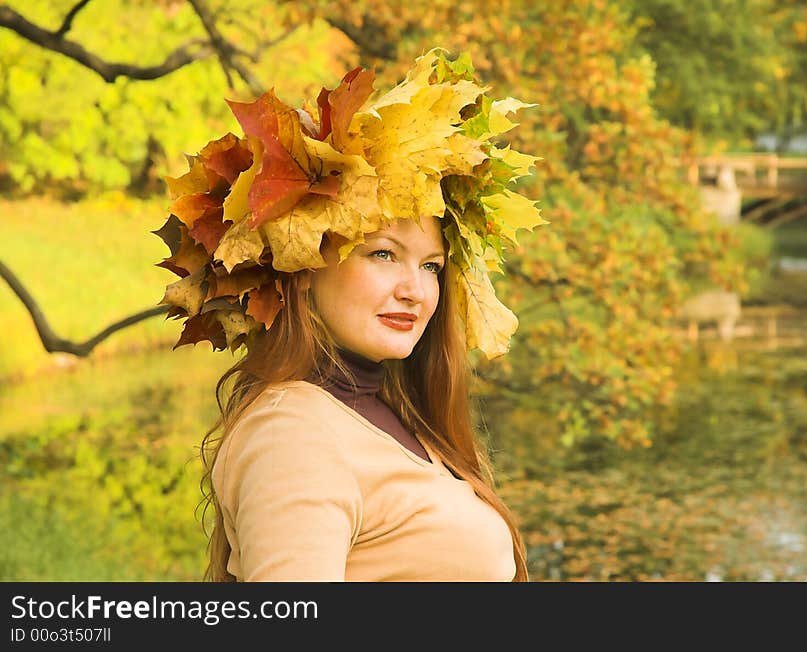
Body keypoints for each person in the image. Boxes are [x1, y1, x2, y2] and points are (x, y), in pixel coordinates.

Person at [153, 49, 544, 581]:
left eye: (431, 266)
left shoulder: (391, 416)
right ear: (306, 261)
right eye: (382, 254)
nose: (416, 291)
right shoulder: (293, 433)